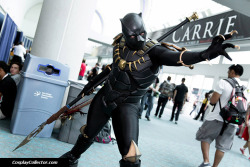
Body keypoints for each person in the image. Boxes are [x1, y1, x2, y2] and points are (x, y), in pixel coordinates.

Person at [60, 13, 240, 167]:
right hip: (105, 96)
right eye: (133, 36)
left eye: (142, 33)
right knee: (87, 133)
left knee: (131, 156)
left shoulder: (156, 51)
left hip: (127, 105)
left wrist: (205, 54)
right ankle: (72, 158)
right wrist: (89, 86)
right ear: (124, 33)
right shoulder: (119, 43)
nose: (139, 38)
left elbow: (178, 57)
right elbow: (111, 69)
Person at [196, 64, 244, 167]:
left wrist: (211, 98)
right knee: (222, 146)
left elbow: (213, 101)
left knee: (205, 137)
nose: (227, 73)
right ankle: (214, 166)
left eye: (228, 71)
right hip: (233, 121)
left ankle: (206, 162)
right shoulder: (245, 88)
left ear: (232, 72)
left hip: (216, 117)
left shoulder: (223, 82)